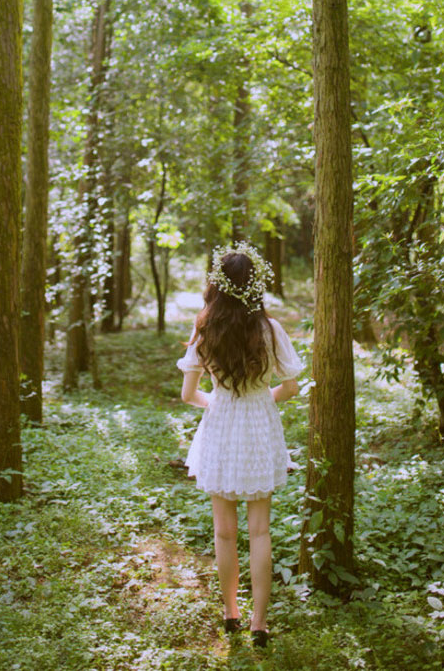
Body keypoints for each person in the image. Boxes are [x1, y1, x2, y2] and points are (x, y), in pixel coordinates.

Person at [177, 242, 302, 648]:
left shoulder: (204, 327)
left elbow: (188, 395)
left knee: (224, 532)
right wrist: (261, 400)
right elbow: (291, 387)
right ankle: (258, 622)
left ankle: (230, 612)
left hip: (221, 424)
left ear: (217, 285)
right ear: (255, 285)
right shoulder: (269, 329)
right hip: (259, 427)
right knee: (260, 531)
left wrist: (216, 401)